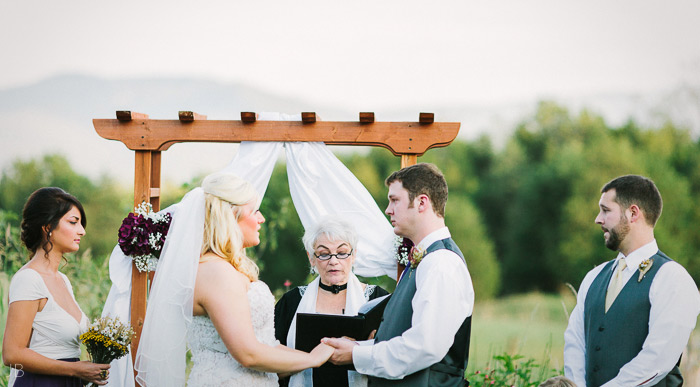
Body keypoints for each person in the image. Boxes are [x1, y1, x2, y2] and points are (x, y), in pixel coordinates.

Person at [134, 172, 333, 386]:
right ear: (231, 216)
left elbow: (265, 345)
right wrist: (313, 360)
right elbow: (248, 354)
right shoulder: (215, 272)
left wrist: (317, 354)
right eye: (254, 211)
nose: (261, 219)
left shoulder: (222, 268)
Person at [323, 162, 474, 386]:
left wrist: (356, 356)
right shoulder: (424, 260)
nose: (388, 210)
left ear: (422, 202)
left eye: (395, 200)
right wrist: (356, 348)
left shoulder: (441, 264)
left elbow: (425, 346)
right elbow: (401, 337)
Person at [564, 175, 700, 387]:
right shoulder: (593, 277)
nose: (598, 219)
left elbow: (658, 359)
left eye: (606, 210)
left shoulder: (673, 278)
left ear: (633, 213)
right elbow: (574, 344)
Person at [2, 187, 111, 386]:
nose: (82, 231)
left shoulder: (63, 280)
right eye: (73, 222)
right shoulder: (28, 279)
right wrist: (75, 369)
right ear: (47, 227)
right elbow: (12, 354)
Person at [274, 215, 390, 387]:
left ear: (354, 254)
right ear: (311, 258)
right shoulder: (291, 302)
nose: (333, 261)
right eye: (324, 254)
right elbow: (271, 363)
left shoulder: (377, 299)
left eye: (342, 253)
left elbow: (392, 358)